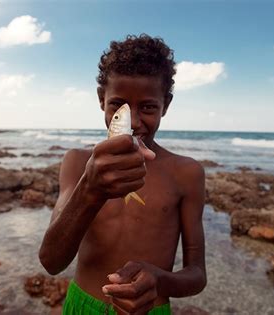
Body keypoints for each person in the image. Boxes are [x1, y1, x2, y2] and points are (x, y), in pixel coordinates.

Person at [39, 34, 206, 315]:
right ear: (101, 100)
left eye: (149, 107)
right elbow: (51, 261)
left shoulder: (187, 173)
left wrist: (160, 282)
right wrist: (89, 190)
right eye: (118, 106)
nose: (133, 122)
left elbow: (197, 275)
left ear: (166, 104)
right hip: (81, 306)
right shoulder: (77, 162)